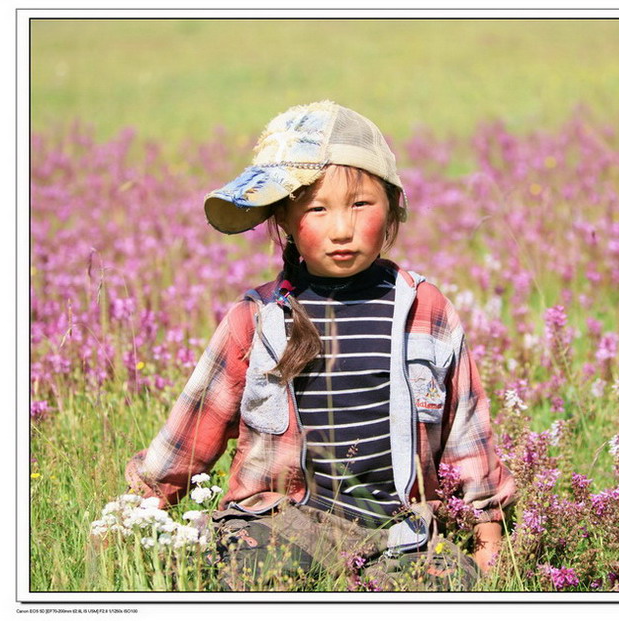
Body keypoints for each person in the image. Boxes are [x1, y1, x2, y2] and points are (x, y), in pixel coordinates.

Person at [124, 100, 516, 591]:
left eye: (360, 204)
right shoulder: (259, 318)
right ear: (285, 218)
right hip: (282, 520)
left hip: (397, 530)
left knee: (446, 583)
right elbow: (196, 425)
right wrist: (139, 508)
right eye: (317, 209)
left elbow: (466, 428)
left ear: (393, 204)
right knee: (241, 568)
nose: (342, 229)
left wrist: (487, 536)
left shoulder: (425, 308)